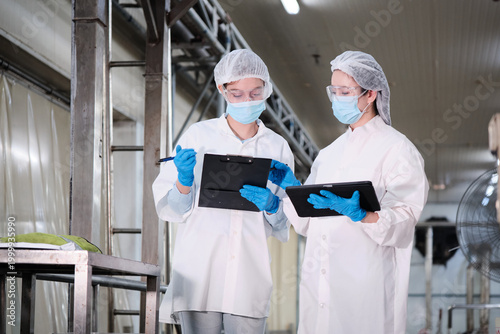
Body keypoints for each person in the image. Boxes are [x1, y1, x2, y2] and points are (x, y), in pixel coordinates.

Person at [269, 50, 429, 333]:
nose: (337, 98)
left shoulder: (397, 149)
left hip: (367, 289)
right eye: (334, 91)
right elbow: (307, 223)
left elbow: (405, 219)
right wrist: (293, 189)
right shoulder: (329, 154)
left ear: (371, 94)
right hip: (320, 286)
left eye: (345, 91)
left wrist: (364, 214)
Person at [152, 49, 295, 334]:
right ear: (222, 89)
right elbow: (171, 210)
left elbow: (286, 221)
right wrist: (183, 180)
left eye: (255, 93)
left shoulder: (277, 147)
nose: (247, 101)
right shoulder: (198, 136)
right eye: (237, 94)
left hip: (248, 274)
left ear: (266, 89)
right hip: (199, 269)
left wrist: (273, 206)